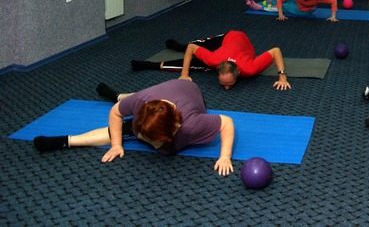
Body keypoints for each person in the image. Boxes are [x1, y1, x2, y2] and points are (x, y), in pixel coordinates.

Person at [33, 79, 235, 175]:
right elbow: (115, 113)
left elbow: (226, 123)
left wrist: (224, 156)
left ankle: (118, 96)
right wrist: (116, 144)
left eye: (155, 140)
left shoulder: (191, 124)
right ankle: (66, 140)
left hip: (188, 88)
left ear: (174, 128)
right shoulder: (142, 103)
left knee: (168, 149)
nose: (153, 145)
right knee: (125, 124)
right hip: (155, 94)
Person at [131, 31, 290, 91]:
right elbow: (192, 48)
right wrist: (184, 74)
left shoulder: (250, 68)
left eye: (229, 84)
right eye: (223, 84)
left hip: (239, 39)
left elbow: (276, 51)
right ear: (218, 69)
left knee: (195, 64)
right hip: (226, 39)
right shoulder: (214, 59)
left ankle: (148, 65)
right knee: (196, 46)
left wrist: (282, 77)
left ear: (238, 74)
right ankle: (179, 46)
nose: (226, 88)